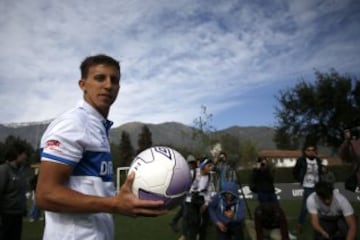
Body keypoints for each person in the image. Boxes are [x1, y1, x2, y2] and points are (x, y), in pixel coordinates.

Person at [35, 54, 165, 240]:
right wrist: (114, 204)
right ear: (83, 85)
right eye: (99, 78)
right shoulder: (73, 124)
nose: (108, 85)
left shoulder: (97, 127)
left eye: (114, 80)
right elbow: (45, 194)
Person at [0, 141, 29, 240]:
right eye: (24, 153)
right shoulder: (4, 170)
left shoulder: (20, 171)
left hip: (17, 215)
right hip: (5, 216)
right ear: (17, 154)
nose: (26, 156)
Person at [292, 144, 323, 234]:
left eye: (313, 150)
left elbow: (320, 171)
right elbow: (295, 171)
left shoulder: (318, 160)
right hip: (308, 187)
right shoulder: (302, 160)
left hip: (317, 186)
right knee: (306, 207)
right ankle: (299, 226)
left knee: (319, 205)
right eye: (308, 150)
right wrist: (300, 179)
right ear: (305, 152)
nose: (311, 151)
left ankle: (321, 224)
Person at [183, 157, 214, 240]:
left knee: (205, 222)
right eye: (209, 166)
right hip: (190, 201)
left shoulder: (210, 176)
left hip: (202, 201)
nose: (211, 168)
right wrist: (192, 192)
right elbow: (183, 186)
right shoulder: (192, 173)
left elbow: (209, 190)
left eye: (212, 166)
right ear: (203, 165)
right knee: (194, 222)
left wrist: (206, 203)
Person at [169, 154, 198, 233]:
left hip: (190, 195)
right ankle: (185, 233)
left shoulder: (195, 172)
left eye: (192, 163)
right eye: (189, 163)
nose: (191, 165)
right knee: (186, 214)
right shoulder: (185, 172)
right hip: (185, 195)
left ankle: (174, 221)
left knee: (184, 211)